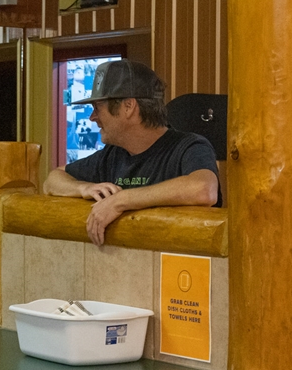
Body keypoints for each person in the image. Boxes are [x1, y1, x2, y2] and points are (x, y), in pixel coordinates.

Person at [43, 59, 220, 246]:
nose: (92, 117)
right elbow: (52, 180)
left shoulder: (189, 146)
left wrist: (121, 200)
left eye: (97, 108)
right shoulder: (112, 155)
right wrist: (83, 188)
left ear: (128, 106)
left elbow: (204, 189)